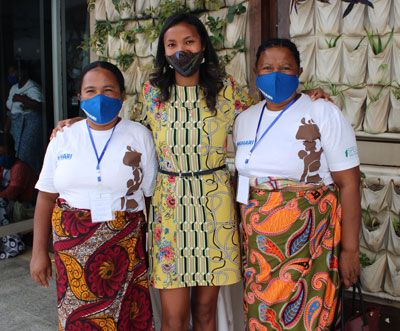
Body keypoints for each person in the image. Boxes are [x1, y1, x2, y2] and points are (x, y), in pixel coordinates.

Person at [233, 38, 361, 330]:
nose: (276, 74)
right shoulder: (245, 119)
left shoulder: (321, 111)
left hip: (310, 243)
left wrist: (350, 250)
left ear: (299, 72)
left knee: (311, 320)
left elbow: (349, 182)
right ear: (256, 71)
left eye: (286, 68)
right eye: (268, 67)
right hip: (260, 248)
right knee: (260, 315)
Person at [30, 61, 157, 330]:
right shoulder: (63, 138)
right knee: (79, 321)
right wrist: (38, 252)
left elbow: (148, 196)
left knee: (127, 319)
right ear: (80, 97)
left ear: (122, 96)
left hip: (124, 246)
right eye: (90, 90)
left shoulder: (139, 135)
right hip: (73, 248)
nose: (99, 97)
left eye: (108, 90)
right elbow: (45, 197)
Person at [0, 132, 37, 259]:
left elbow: (11, 193)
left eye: (5, 154)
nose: (3, 158)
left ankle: (12, 242)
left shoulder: (19, 167)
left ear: (12, 151)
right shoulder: (4, 168)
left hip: (27, 207)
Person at [5, 60, 44, 174]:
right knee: (15, 154)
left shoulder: (32, 87)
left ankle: (29, 181)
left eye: (14, 72)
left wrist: (22, 99)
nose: (11, 76)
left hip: (29, 124)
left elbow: (40, 105)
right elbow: (10, 109)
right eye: (10, 73)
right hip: (15, 126)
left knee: (26, 155)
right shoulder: (14, 88)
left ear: (23, 72)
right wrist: (6, 128)